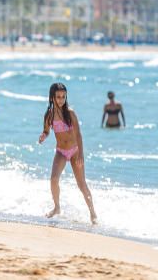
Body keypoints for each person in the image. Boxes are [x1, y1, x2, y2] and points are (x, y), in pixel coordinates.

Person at [38, 83, 97, 224]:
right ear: (52, 97)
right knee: (53, 179)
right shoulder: (49, 115)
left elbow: (79, 135)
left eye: (63, 97)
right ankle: (57, 207)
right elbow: (47, 130)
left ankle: (93, 213)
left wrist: (81, 154)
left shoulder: (70, 113)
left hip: (75, 151)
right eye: (58, 97)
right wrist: (44, 136)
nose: (61, 100)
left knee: (82, 185)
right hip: (61, 152)